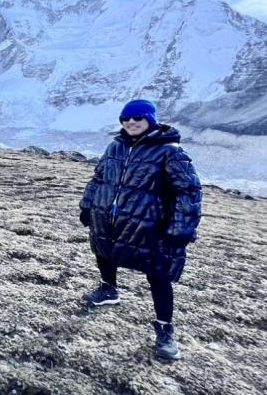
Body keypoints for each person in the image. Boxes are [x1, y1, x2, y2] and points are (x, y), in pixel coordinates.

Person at [78, 99, 202, 361]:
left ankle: (165, 329)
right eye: (126, 118)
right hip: (110, 220)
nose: (130, 123)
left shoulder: (170, 151)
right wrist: (88, 205)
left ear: (151, 120)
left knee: (158, 275)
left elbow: (188, 192)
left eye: (137, 118)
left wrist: (180, 229)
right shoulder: (116, 146)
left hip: (150, 227)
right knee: (103, 251)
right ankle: (108, 289)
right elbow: (98, 178)